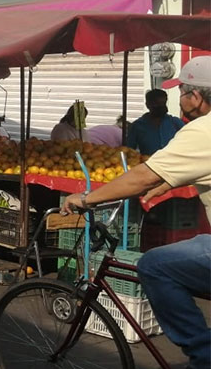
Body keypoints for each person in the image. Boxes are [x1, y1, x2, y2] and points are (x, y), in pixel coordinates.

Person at [61, 56, 211, 369]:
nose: (177, 100)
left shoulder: (200, 131)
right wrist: (165, 182)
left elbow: (143, 175)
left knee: (155, 265)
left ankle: (204, 356)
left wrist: (89, 198)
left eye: (181, 92)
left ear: (196, 97)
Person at [126, 89, 185, 155]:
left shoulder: (175, 123)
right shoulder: (137, 126)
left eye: (163, 104)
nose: (161, 107)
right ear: (148, 105)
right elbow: (129, 150)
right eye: (157, 104)